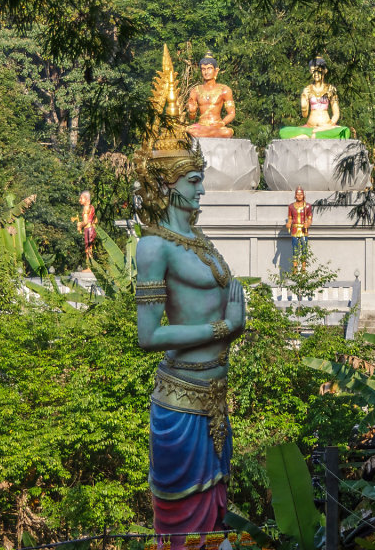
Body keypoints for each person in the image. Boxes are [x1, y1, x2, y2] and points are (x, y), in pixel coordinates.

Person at [134, 46, 246, 544]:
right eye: (195, 181)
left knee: (217, 522)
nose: (202, 190)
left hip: (216, 397)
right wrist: (222, 328)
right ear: (169, 185)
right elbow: (147, 335)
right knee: (184, 529)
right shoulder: (153, 247)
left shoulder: (198, 240)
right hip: (179, 401)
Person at [278, 57, 351, 139]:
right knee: (283, 131)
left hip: (326, 127)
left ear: (324, 70)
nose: (315, 74)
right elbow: (304, 115)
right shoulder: (308, 89)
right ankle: (311, 135)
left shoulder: (330, 89)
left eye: (318, 70)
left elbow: (336, 114)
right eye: (313, 71)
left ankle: (309, 136)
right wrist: (303, 101)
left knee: (345, 130)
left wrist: (326, 127)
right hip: (310, 128)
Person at [186, 52, 236, 138]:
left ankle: (208, 134)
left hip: (217, 126)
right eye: (203, 69)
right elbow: (192, 118)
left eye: (209, 69)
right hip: (201, 126)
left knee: (228, 132)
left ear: (216, 71)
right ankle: (208, 134)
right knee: (189, 130)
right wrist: (192, 111)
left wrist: (222, 123)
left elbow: (231, 113)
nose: (206, 72)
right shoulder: (195, 91)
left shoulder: (224, 90)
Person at [286, 186, 313, 272]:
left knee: (304, 249)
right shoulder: (291, 206)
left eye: (301, 194)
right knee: (295, 249)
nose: (299, 196)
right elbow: (290, 218)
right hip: (294, 230)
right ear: (295, 195)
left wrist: (307, 224)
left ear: (303, 195)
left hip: (303, 230)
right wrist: (289, 223)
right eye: (298, 194)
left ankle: (303, 267)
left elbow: (309, 218)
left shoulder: (307, 206)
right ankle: (295, 268)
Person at [76, 190, 97, 272]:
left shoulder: (86, 208)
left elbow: (85, 222)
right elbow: (95, 220)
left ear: (87, 199)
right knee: (90, 248)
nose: (79, 200)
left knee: (88, 248)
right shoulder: (92, 207)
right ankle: (90, 266)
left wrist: (79, 225)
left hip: (88, 229)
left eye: (81, 198)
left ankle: (89, 267)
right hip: (92, 228)